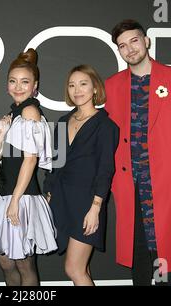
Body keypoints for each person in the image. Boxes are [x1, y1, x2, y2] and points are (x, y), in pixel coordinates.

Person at [104, 19, 171, 286]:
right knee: (138, 259)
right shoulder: (112, 86)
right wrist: (114, 180)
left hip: (163, 182)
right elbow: (110, 137)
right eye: (122, 45)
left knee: (165, 260)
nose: (129, 49)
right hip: (129, 185)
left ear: (146, 41)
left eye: (134, 41)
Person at [0, 48, 57, 286]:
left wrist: (15, 201)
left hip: (21, 197)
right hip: (5, 194)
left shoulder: (30, 111)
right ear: (7, 84)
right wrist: (0, 135)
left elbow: (31, 159)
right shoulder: (13, 113)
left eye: (25, 82)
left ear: (35, 86)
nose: (18, 86)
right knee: (6, 262)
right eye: (13, 81)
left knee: (23, 263)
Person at [42, 65, 118, 286]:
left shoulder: (105, 126)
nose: (77, 90)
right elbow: (55, 165)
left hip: (87, 204)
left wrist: (96, 207)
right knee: (80, 267)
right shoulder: (63, 122)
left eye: (83, 84)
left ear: (95, 88)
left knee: (73, 268)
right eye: (72, 85)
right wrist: (48, 194)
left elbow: (105, 170)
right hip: (62, 201)